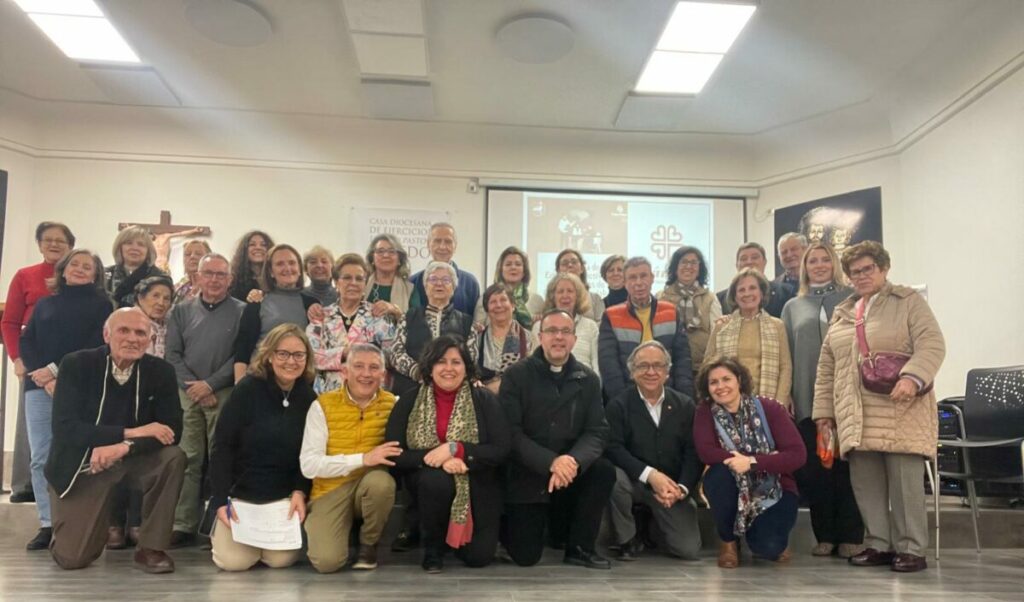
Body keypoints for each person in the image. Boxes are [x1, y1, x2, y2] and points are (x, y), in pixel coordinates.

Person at [813, 241, 945, 573]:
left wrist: (912, 378)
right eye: (854, 271)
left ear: (883, 268)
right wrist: (824, 414)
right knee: (866, 483)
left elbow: (932, 344)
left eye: (867, 269)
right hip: (855, 411)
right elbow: (826, 367)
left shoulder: (907, 301)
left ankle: (911, 548)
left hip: (900, 407)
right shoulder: (843, 312)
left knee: (904, 482)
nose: (861, 276)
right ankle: (878, 544)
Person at [45, 308, 185, 573]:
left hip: (133, 458)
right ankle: (92, 524)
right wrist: (131, 433)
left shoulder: (162, 371)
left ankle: (151, 548)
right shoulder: (76, 364)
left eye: (140, 333)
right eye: (124, 330)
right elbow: (65, 428)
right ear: (106, 335)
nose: (132, 338)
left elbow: (172, 431)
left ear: (151, 340)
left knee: (173, 457)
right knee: (72, 559)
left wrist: (124, 447)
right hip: (85, 464)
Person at [500, 309, 615, 569]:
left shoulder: (588, 379)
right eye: (552, 331)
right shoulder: (516, 375)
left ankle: (580, 548)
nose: (559, 337)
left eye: (565, 331)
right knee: (526, 557)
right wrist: (551, 462)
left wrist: (572, 461)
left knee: (603, 470)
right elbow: (510, 433)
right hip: (528, 470)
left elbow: (597, 430)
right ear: (540, 337)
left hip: (569, 473)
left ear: (574, 339)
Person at [386, 336, 511, 573]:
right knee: (436, 480)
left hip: (476, 482)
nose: (449, 368)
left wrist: (458, 450)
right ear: (430, 366)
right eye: (441, 361)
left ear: (466, 367)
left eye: (456, 362)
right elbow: (395, 453)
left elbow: (501, 449)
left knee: (478, 557)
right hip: (428, 481)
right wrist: (437, 459)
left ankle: (455, 536)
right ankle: (433, 548)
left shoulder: (483, 399)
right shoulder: (410, 399)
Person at [19, 248, 113, 551]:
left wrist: (56, 371)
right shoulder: (45, 303)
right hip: (39, 388)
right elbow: (26, 340)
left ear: (96, 274)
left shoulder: (102, 305)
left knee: (76, 453)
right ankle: (47, 523)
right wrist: (42, 374)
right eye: (75, 264)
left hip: (78, 386)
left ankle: (73, 520)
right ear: (63, 269)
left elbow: (95, 344)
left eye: (88, 266)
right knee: (40, 457)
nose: (80, 269)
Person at [209, 324, 316, 571]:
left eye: (299, 355)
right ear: (269, 355)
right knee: (233, 563)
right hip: (241, 495)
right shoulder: (246, 391)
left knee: (280, 561)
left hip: (283, 498)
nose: (291, 361)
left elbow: (310, 453)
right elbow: (222, 447)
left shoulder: (309, 398)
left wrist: (300, 491)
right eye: (283, 354)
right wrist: (220, 500)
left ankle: (261, 545)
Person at [781, 242, 862, 558]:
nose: (818, 265)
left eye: (824, 259)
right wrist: (789, 392)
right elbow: (788, 354)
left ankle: (852, 535)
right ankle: (825, 535)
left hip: (846, 397)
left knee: (847, 468)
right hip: (808, 400)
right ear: (804, 267)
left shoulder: (853, 299)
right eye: (812, 261)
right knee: (816, 470)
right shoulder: (792, 307)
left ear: (834, 263)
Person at [693, 356, 806, 568]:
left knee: (768, 548)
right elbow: (706, 452)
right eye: (713, 382)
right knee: (719, 475)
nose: (720, 386)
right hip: (731, 481)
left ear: (739, 380)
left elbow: (797, 454)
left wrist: (752, 462)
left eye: (726, 379)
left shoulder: (770, 408)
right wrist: (739, 461)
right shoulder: (705, 412)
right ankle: (728, 542)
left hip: (775, 486)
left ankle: (770, 539)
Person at [165, 254, 246, 547]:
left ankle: (218, 524)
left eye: (221, 274)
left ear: (230, 279)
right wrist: (194, 387)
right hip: (186, 392)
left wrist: (211, 384)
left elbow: (241, 355)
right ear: (197, 277)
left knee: (221, 458)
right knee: (188, 457)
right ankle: (182, 523)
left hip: (223, 392)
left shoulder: (243, 311)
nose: (214, 279)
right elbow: (172, 354)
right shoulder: (180, 311)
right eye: (208, 273)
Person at [301, 344, 401, 572]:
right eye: (358, 366)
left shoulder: (393, 405)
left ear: (383, 375)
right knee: (326, 562)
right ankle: (345, 529)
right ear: (344, 372)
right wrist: (363, 459)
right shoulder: (321, 406)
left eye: (374, 367)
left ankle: (369, 544)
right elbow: (309, 465)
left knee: (382, 483)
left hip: (370, 484)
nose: (366, 374)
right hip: (330, 488)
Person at [605, 341, 701, 561]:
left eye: (658, 365)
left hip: (670, 488)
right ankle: (627, 539)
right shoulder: (618, 405)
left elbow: (693, 453)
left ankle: (650, 523)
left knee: (688, 550)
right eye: (643, 366)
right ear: (632, 372)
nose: (651, 372)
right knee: (612, 477)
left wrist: (681, 489)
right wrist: (650, 475)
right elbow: (613, 448)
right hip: (633, 482)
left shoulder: (686, 406)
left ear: (668, 372)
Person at [1, 221, 74, 504]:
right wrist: (17, 358)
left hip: (70, 360)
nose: (54, 244)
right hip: (33, 360)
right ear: (40, 245)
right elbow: (10, 321)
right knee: (31, 427)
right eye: (48, 240)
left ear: (70, 245)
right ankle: (25, 484)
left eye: (60, 240)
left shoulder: (77, 277)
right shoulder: (25, 276)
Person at [107, 274, 175, 548]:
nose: (161, 302)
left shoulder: (171, 325)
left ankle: (137, 521)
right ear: (140, 297)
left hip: (154, 396)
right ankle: (114, 522)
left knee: (147, 455)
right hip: (120, 393)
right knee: (116, 453)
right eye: (155, 296)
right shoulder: (123, 320)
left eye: (167, 298)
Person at [600, 257, 693, 401]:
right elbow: (609, 364)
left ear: (652, 278)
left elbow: (682, 360)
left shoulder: (671, 312)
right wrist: (621, 402)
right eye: (632, 277)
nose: (638, 283)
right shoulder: (611, 315)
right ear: (625, 283)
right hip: (628, 395)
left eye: (643, 276)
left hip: (668, 394)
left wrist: (684, 399)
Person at [306, 253, 397, 393]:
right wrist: (344, 353)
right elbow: (311, 357)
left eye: (359, 279)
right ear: (336, 282)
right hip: (329, 396)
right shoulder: (321, 316)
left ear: (365, 284)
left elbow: (391, 358)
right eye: (347, 277)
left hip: (370, 395)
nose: (353, 283)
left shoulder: (379, 316)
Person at [706, 268, 792, 406]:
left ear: (762, 293)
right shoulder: (722, 327)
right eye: (741, 290)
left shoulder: (777, 326)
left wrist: (779, 405)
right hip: (728, 402)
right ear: (735, 296)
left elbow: (785, 368)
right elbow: (708, 365)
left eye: (752, 288)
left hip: (768, 404)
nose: (747, 294)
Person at [390, 261, 478, 393]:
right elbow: (396, 353)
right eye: (433, 279)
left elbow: (471, 359)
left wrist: (446, 374)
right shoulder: (408, 317)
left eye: (446, 280)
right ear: (425, 287)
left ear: (454, 288)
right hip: (412, 388)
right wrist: (419, 372)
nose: (439, 283)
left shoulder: (467, 322)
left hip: (453, 390)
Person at [233, 243, 317, 382]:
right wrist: (239, 383)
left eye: (292, 263)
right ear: (271, 272)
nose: (287, 268)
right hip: (260, 378)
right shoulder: (257, 302)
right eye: (280, 264)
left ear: (299, 269)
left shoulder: (311, 304)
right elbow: (243, 346)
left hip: (297, 380)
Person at [658, 246, 722, 370]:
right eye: (684, 262)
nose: (688, 266)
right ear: (675, 268)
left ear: (699, 269)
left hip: (702, 368)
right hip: (669, 367)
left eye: (693, 263)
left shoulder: (710, 298)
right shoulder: (661, 297)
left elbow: (717, 335)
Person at [533, 273, 600, 375]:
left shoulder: (591, 326)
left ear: (578, 296)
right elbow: (535, 363)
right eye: (560, 291)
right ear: (553, 296)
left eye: (570, 291)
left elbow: (597, 364)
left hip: (584, 380)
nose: (565, 296)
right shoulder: (539, 326)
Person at [476, 284, 536, 394]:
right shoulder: (477, 340)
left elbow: (534, 376)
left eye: (503, 300)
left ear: (513, 305)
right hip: (485, 401)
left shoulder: (529, 338)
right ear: (487, 309)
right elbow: (470, 377)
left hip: (519, 400)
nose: (499, 305)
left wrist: (501, 385)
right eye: (493, 302)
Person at [410, 222, 481, 315]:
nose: (442, 247)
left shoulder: (470, 283)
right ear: (428, 244)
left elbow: (475, 320)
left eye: (448, 242)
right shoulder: (413, 282)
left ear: (455, 246)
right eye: (437, 241)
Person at [473, 245, 543, 328]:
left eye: (518, 264)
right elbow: (477, 328)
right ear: (501, 270)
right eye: (508, 264)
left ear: (524, 271)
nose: (513, 267)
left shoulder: (537, 300)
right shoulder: (487, 298)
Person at [104, 226, 168, 308]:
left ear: (148, 250)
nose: (134, 248)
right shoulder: (105, 275)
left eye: (141, 244)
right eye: (129, 243)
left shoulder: (160, 277)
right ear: (119, 247)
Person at [716, 243, 786, 318]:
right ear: (737, 265)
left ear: (764, 262)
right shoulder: (720, 299)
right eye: (743, 259)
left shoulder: (784, 293)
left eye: (754, 257)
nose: (749, 262)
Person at [364, 233, 421, 317]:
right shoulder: (361, 284)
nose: (386, 255)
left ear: (399, 259)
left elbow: (417, 321)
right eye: (380, 251)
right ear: (372, 258)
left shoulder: (409, 289)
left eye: (392, 251)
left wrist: (395, 310)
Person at [554, 249, 604, 322]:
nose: (570, 265)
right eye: (564, 263)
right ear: (558, 270)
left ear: (582, 268)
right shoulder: (552, 297)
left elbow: (601, 325)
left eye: (574, 262)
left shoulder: (595, 299)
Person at [228, 230, 274, 302]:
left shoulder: (276, 279)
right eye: (252, 244)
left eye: (263, 245)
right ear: (244, 250)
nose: (258, 248)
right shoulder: (234, 281)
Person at [172, 239, 212, 304]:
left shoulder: (213, 287)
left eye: (198, 254)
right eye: (187, 254)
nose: (192, 256)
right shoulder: (178, 288)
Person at [775, 233, 808, 306]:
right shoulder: (773, 288)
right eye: (784, 252)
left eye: (793, 249)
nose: (789, 255)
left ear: (805, 250)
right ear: (779, 257)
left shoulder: (819, 282)